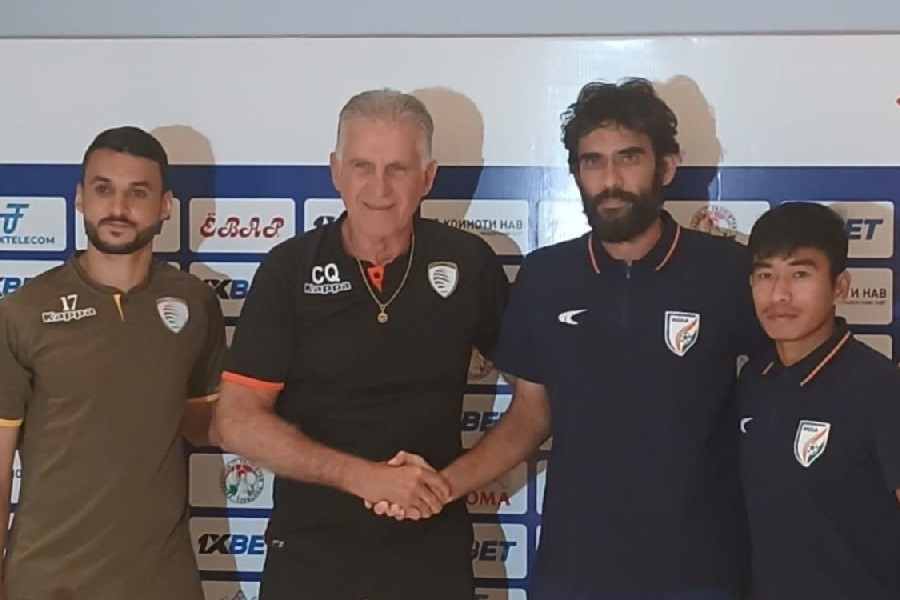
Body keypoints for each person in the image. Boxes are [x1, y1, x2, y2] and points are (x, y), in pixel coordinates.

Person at [389, 78, 763, 599]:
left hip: (703, 568)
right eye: (592, 162)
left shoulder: (729, 271)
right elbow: (529, 416)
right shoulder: (547, 276)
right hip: (578, 569)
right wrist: (441, 486)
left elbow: (784, 403)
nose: (610, 180)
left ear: (668, 167)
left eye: (628, 158)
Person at [214, 89, 509, 600]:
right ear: (335, 170)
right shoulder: (289, 269)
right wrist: (365, 479)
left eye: (398, 168)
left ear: (428, 176)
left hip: (431, 554)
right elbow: (235, 421)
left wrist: (440, 487)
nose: (379, 187)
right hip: (310, 557)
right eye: (362, 166)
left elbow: (537, 407)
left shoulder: (470, 262)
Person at [0, 126, 225, 599]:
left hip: (163, 582)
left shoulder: (195, 303)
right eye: (104, 189)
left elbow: (209, 424)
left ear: (165, 205)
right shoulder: (23, 311)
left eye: (137, 192)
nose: (118, 208)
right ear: (81, 197)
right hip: (46, 583)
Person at [739, 202, 900, 599]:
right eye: (765, 275)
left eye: (799, 274)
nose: (779, 294)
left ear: (840, 287)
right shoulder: (753, 379)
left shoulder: (879, 387)